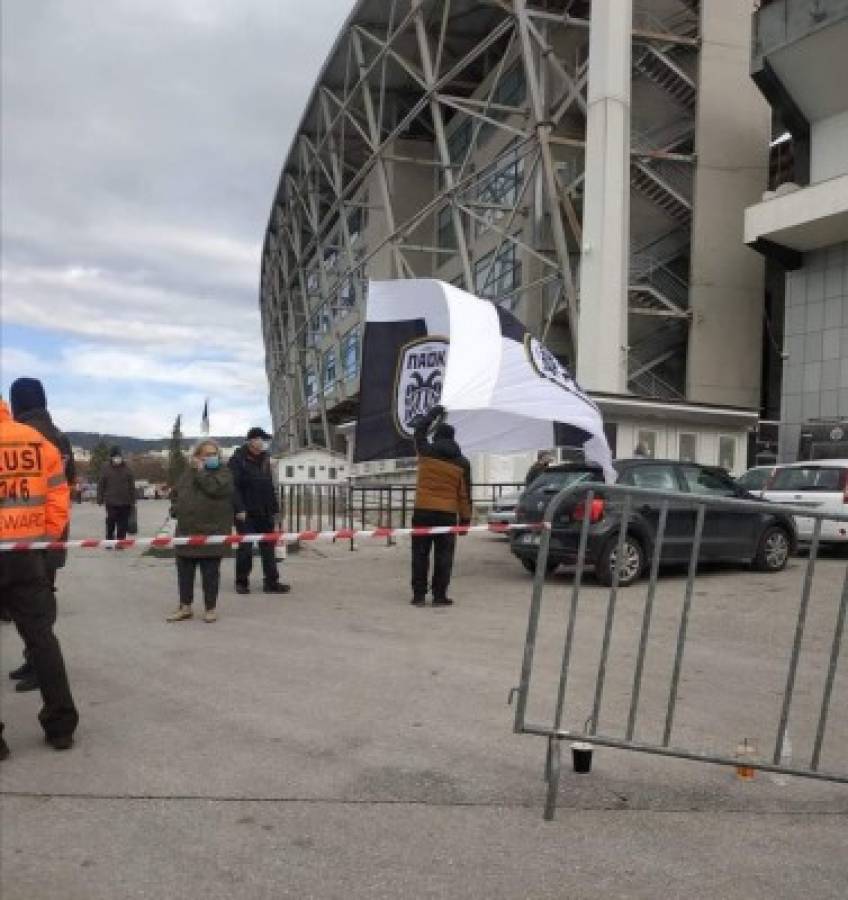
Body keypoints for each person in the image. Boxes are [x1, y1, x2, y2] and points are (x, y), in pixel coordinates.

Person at [0, 398, 79, 759]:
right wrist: (46, 536)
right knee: (42, 640)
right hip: (26, 554)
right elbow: (58, 490)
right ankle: (61, 726)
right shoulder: (33, 439)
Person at [6, 378, 76, 693]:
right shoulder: (57, 436)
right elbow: (66, 485)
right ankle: (34, 660)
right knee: (37, 606)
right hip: (47, 534)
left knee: (37, 612)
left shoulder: (34, 436)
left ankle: (38, 666)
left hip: (30, 538)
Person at [410, 404, 472, 607]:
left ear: (436, 436)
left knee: (420, 554)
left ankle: (419, 596)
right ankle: (439, 596)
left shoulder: (426, 451)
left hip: (422, 512)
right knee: (444, 556)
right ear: (454, 439)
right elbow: (465, 494)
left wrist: (432, 414)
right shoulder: (462, 463)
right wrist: (465, 520)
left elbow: (419, 430)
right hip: (447, 515)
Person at [166, 440, 235, 624]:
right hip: (186, 531)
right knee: (185, 573)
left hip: (212, 532)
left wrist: (201, 471)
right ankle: (185, 607)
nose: (212, 457)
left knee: (210, 574)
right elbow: (176, 493)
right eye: (207, 454)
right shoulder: (187, 473)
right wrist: (175, 508)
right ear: (197, 456)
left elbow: (214, 488)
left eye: (215, 454)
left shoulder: (223, 472)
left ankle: (210, 609)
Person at [229, 427, 289, 594]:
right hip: (246, 513)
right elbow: (233, 487)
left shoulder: (266, 460)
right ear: (252, 441)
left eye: (265, 440)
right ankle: (242, 582)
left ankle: (271, 582)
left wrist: (276, 512)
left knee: (268, 547)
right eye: (262, 439)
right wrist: (239, 508)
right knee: (246, 548)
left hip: (265, 512)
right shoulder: (238, 460)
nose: (264, 443)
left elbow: (271, 487)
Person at [97, 445, 136, 544]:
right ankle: (109, 540)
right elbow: (101, 483)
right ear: (111, 457)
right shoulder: (105, 468)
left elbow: (132, 485)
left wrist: (133, 500)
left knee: (123, 523)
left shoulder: (128, 468)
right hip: (111, 501)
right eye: (115, 456)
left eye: (118, 456)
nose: (117, 458)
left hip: (125, 501)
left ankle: (120, 542)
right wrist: (100, 498)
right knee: (111, 521)